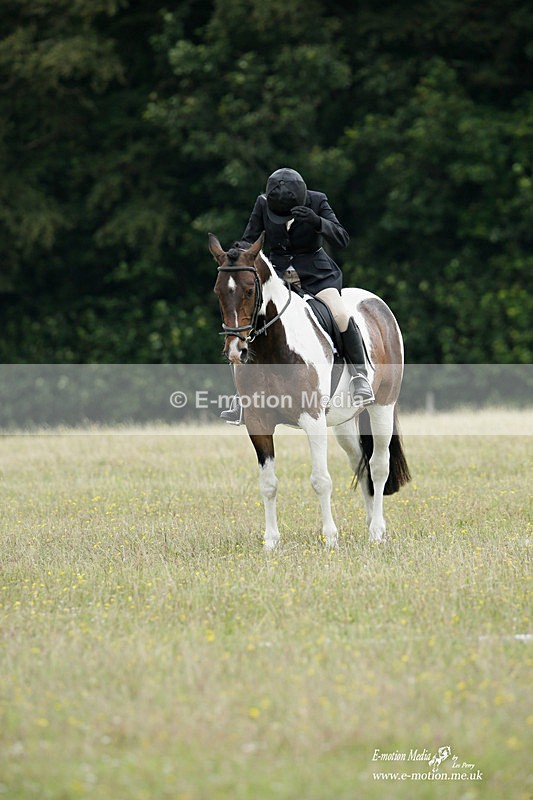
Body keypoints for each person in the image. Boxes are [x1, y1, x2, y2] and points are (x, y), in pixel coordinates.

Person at [221, 167, 374, 423]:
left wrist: (318, 222)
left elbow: (342, 238)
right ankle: (241, 397)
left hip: (316, 276)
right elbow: (248, 239)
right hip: (277, 278)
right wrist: (235, 253)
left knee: (339, 313)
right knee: (247, 322)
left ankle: (360, 377)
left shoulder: (318, 200)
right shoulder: (262, 204)